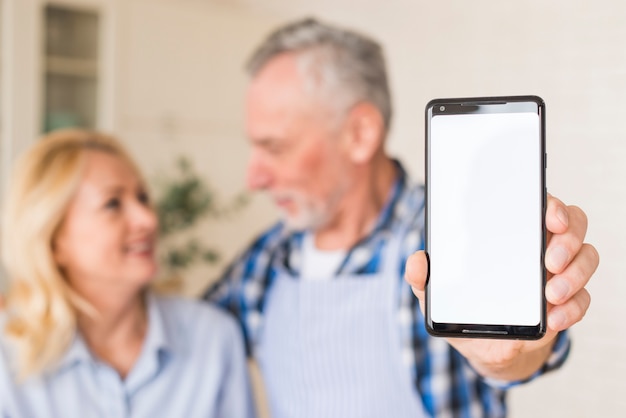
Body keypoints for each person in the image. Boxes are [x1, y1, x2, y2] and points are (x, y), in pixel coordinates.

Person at [204, 17, 599, 418]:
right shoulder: (267, 260)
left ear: (359, 133)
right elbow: (180, 340)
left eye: (275, 147)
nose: (253, 178)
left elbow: (523, 357)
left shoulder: (448, 238)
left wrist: (509, 358)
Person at [0, 129, 255, 418]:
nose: (147, 219)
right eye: (112, 204)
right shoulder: (7, 356)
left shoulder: (212, 337)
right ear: (54, 240)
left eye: (143, 197)